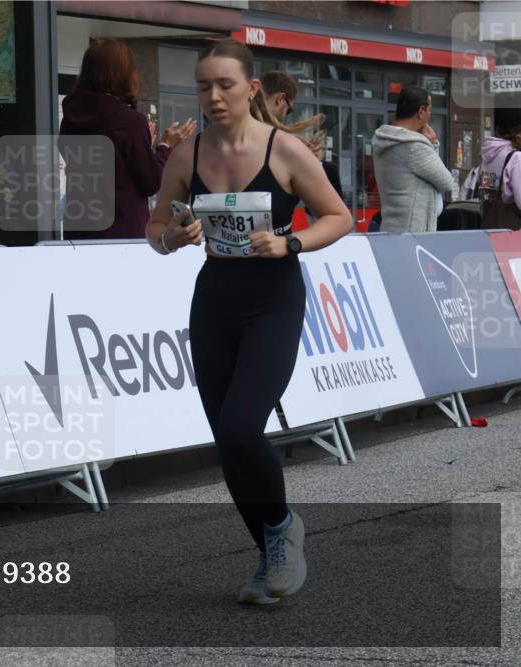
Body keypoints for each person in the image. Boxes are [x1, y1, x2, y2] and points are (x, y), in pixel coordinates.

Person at [146, 39, 352, 605]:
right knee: (228, 440)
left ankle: (282, 528)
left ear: (252, 88)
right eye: (203, 86)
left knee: (241, 425)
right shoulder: (188, 154)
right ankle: (269, 555)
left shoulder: (284, 151)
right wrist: (172, 237)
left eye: (225, 85)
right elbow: (156, 227)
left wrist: (291, 243)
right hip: (215, 301)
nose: (213, 96)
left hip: (272, 303)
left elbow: (341, 217)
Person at [59, 38, 195, 240]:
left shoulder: (71, 117)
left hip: (79, 231)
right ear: (124, 74)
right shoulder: (129, 121)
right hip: (123, 233)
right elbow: (150, 183)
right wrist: (165, 147)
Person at [371, 86, 456, 233]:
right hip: (414, 233)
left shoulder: (383, 139)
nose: (430, 115)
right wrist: (433, 144)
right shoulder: (414, 147)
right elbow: (447, 182)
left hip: (391, 228)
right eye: (430, 110)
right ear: (421, 111)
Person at [260, 70, 343, 199]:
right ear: (280, 99)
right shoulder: (277, 142)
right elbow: (337, 214)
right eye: (289, 110)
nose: (284, 117)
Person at [478, 104, 521, 230]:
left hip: (489, 224)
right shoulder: (516, 157)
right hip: (512, 227)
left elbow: (487, 190)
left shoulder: (489, 153)